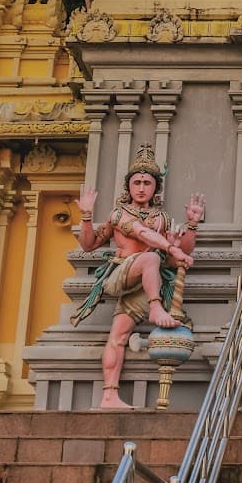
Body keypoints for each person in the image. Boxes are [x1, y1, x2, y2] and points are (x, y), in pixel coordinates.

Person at [72, 144, 205, 411]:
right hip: (121, 275)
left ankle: (109, 396)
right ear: (128, 186)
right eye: (137, 182)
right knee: (150, 257)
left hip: (145, 283)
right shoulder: (120, 214)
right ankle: (156, 308)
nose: (142, 187)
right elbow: (90, 245)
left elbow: (177, 257)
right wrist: (86, 216)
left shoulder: (163, 218)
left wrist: (191, 226)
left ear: (155, 188)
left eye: (147, 182)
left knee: (118, 337)